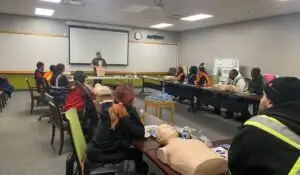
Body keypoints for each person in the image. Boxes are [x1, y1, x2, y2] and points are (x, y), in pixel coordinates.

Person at [228, 77, 300, 175]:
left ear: (269, 103)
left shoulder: (258, 126)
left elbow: (234, 165)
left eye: (264, 96)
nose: (261, 100)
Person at [86, 85, 148, 175]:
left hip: (95, 149)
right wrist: (132, 109)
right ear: (130, 101)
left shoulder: (109, 107)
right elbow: (140, 132)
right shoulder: (120, 114)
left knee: (130, 148)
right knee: (137, 154)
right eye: (131, 100)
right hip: (104, 153)